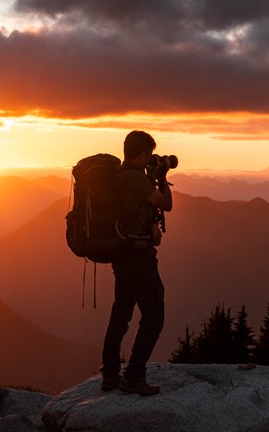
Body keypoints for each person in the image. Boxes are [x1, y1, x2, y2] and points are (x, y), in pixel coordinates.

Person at [100, 130, 173, 396]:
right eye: (150, 156)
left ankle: (110, 375)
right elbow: (166, 204)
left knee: (120, 316)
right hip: (138, 257)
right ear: (143, 154)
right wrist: (163, 178)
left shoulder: (117, 176)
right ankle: (134, 376)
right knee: (154, 315)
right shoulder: (136, 180)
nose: (151, 161)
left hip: (121, 255)